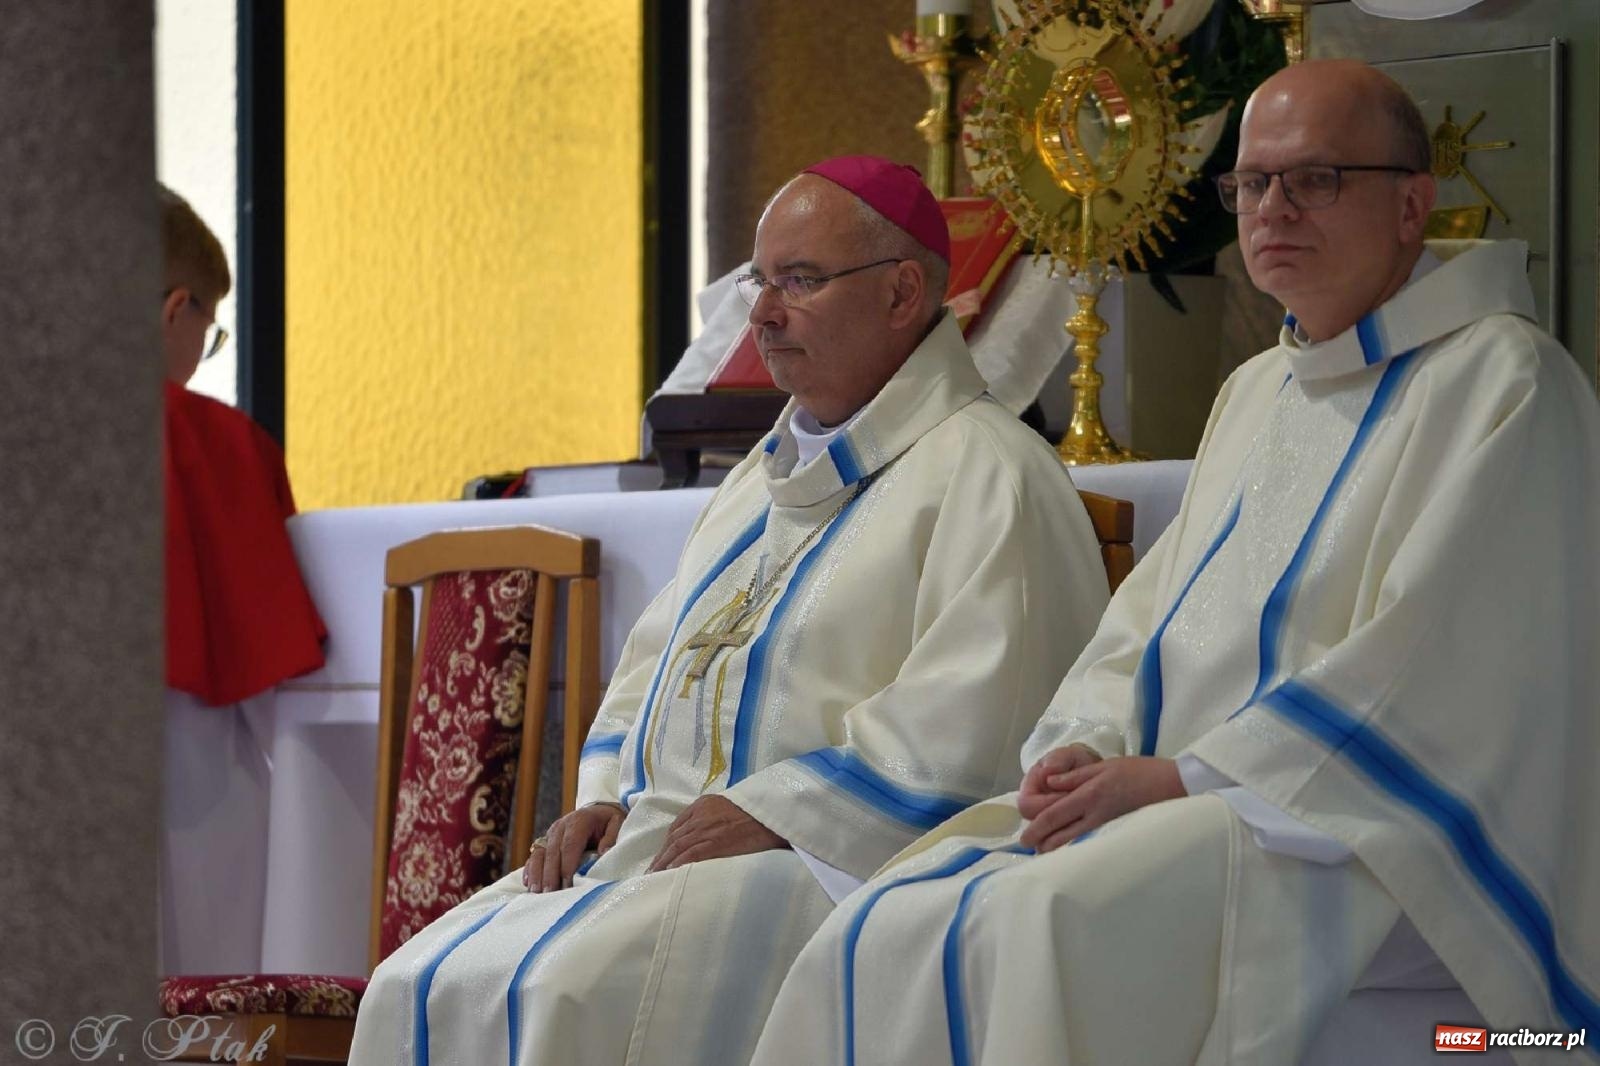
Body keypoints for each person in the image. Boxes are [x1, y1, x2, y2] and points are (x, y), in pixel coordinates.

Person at [749, 61, 1600, 1066]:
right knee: (884, 918)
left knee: (1042, 922)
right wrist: (1081, 743)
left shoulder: (1504, 378)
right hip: (1196, 804)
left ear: (1412, 203)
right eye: (1249, 183)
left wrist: (1181, 779)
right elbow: (1149, 620)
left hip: (1362, 831)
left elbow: (1437, 675)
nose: (1271, 208)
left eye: (1315, 179)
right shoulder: (1255, 391)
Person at [348, 156, 1110, 1066]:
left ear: (904, 293)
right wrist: (605, 801)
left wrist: (780, 812)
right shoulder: (762, 477)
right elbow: (656, 661)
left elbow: (983, 725)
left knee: (562, 989)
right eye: (762, 280)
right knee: (410, 983)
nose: (763, 314)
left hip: (830, 866)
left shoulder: (991, 473)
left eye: (801, 281)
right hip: (662, 848)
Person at [160, 185, 326, 973]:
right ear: (175, 310)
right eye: (210, 331)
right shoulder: (210, 440)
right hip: (184, 773)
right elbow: (272, 671)